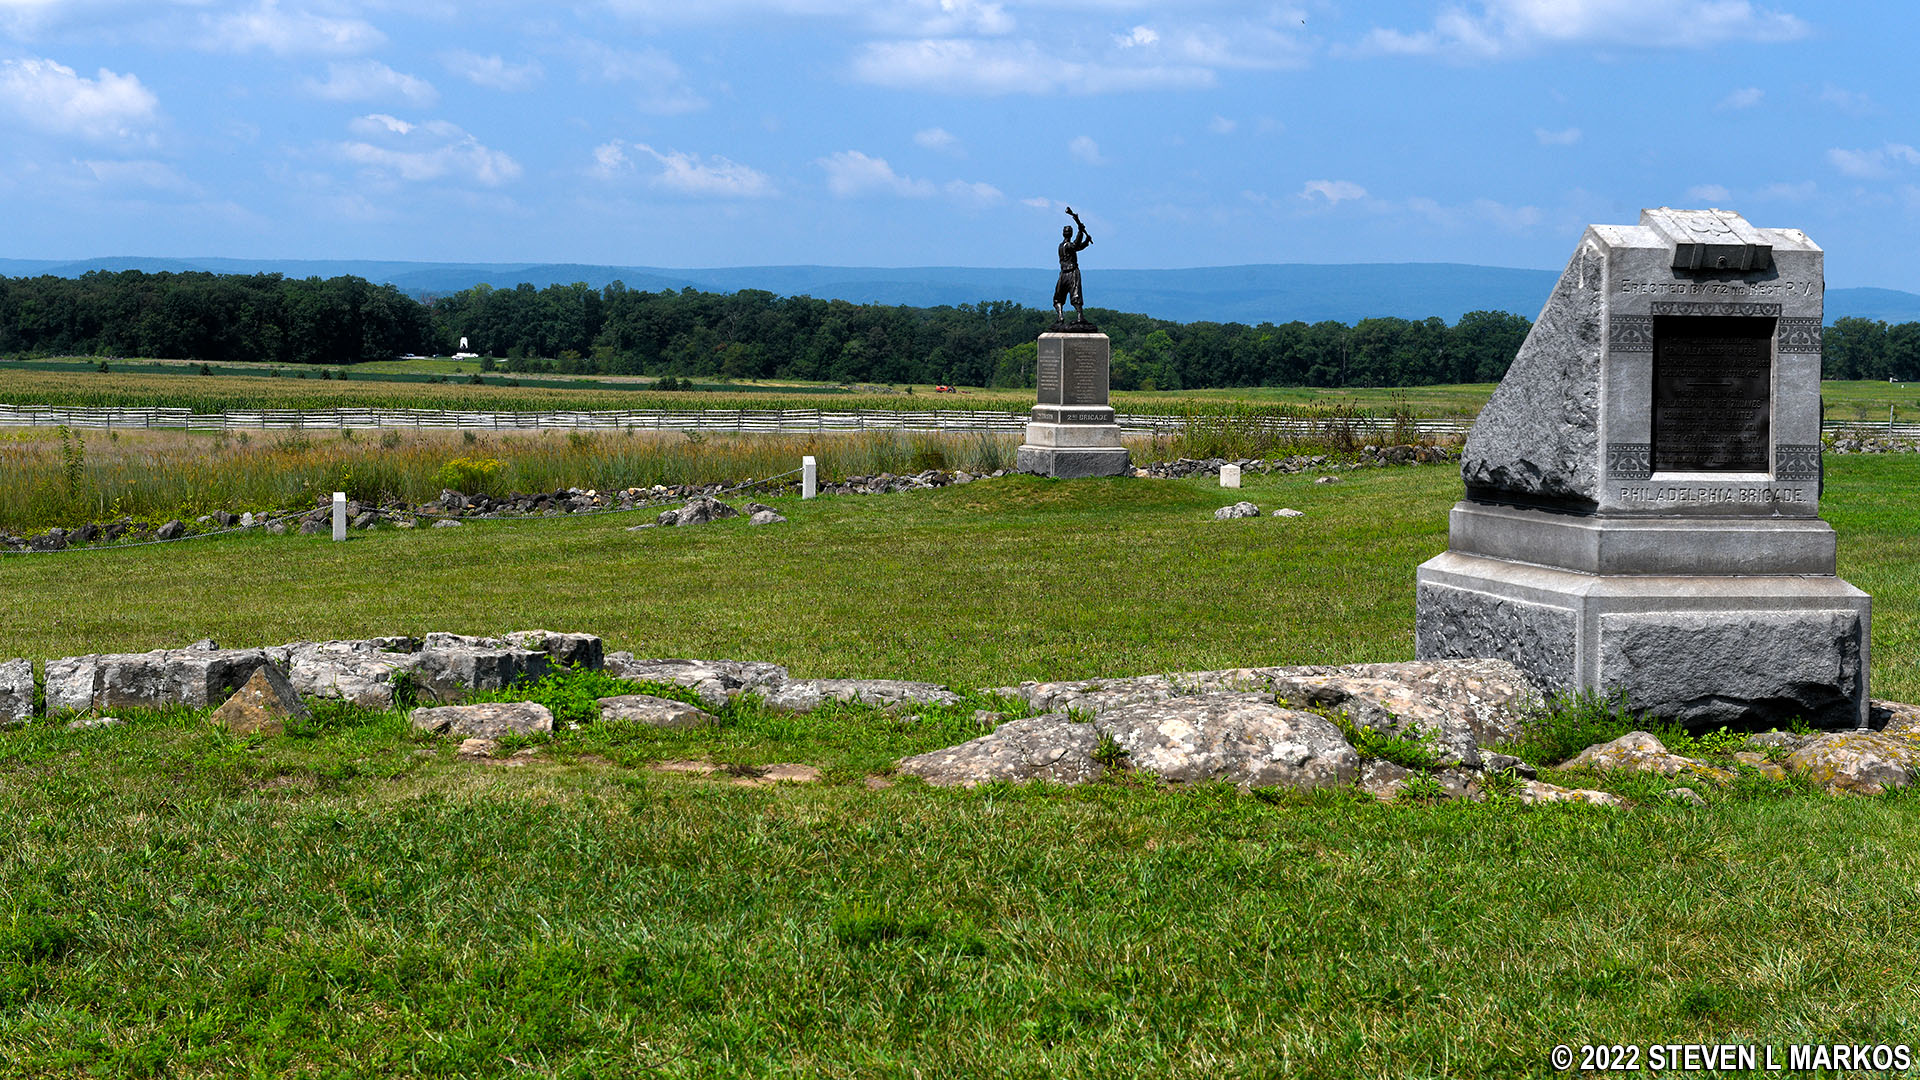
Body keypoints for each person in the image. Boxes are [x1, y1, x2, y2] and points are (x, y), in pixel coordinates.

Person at [1053, 207, 1091, 325]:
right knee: (1074, 294)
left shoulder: (1062, 246)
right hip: (1071, 272)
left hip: (1064, 273)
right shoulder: (1066, 245)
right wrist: (1081, 232)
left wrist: (1086, 241)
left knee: (1059, 297)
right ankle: (1076, 316)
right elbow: (1075, 245)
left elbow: (1077, 247)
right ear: (1071, 233)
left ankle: (1062, 316)